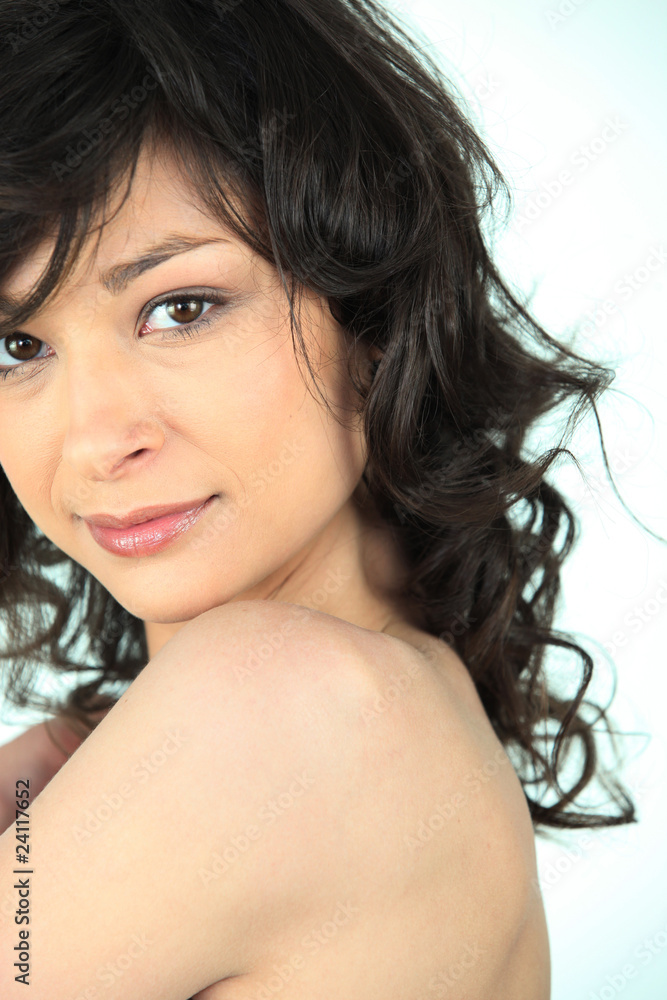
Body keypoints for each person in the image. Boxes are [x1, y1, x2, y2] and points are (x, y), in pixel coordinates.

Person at [0, 0, 637, 997]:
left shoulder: (277, 704)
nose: (94, 439)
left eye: (181, 308)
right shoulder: (397, 698)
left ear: (371, 319)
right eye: (18, 346)